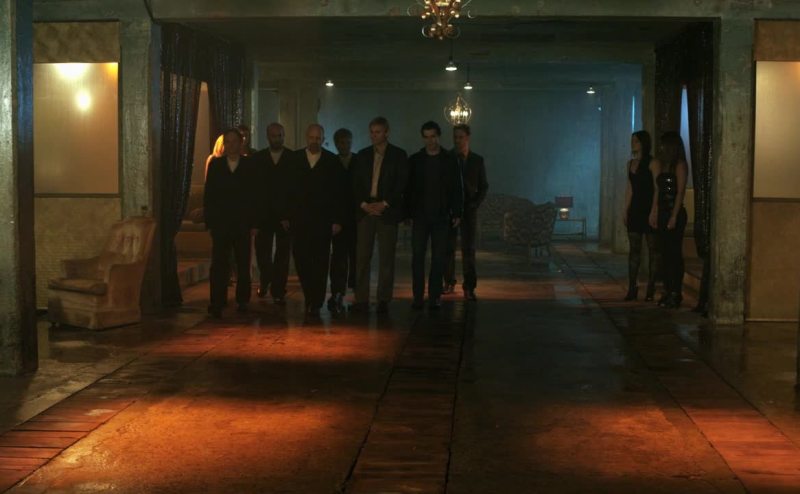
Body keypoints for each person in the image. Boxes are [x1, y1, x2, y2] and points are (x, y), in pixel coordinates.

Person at [351, 117, 409, 314]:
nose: (373, 135)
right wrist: (364, 205)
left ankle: (384, 298)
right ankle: (361, 298)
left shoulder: (398, 155)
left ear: (386, 132)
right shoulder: (362, 155)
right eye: (372, 132)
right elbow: (355, 183)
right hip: (366, 210)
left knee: (386, 258)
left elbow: (401, 184)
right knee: (362, 257)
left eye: (377, 132)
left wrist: (384, 204)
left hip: (387, 211)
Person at [406, 121, 463, 310]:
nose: (430, 141)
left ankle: (434, 295)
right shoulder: (416, 160)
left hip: (440, 216)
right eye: (426, 137)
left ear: (438, 136)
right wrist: (408, 213)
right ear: (423, 138)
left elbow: (456, 187)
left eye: (433, 137)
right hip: (420, 216)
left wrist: (456, 212)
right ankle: (418, 296)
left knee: (438, 258)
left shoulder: (449, 159)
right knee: (418, 257)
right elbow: (409, 189)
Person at [203, 128, 259, 318]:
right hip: (221, 223)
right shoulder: (216, 165)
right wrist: (210, 221)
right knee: (219, 263)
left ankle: (243, 299)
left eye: (234, 141)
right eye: (227, 142)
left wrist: (254, 223)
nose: (231, 145)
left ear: (241, 143)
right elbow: (209, 195)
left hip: (243, 222)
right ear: (224, 144)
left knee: (243, 262)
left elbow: (255, 196)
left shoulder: (250, 165)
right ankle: (217, 301)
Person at [291, 124, 345, 318]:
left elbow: (339, 193)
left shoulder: (332, 161)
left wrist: (337, 220)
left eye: (318, 138)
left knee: (321, 261)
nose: (314, 141)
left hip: (323, 220)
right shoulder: (295, 159)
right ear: (306, 137)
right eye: (311, 137)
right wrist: (286, 216)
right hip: (299, 219)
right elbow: (287, 190)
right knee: (301, 258)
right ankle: (310, 295)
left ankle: (316, 300)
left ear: (323, 139)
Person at [443, 124, 488, 301]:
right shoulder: (447, 158)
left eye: (461, 137)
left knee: (468, 249)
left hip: (469, 210)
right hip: (450, 210)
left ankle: (469, 286)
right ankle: (448, 281)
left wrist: (474, 204)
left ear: (468, 137)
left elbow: (483, 186)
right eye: (455, 137)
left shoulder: (477, 160)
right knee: (448, 248)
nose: (457, 140)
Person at [251, 123, 294, 306]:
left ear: (284, 136)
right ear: (268, 137)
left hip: (284, 215)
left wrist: (289, 215)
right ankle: (266, 279)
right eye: (274, 136)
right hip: (263, 214)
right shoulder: (258, 159)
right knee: (262, 252)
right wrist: (255, 220)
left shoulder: (292, 158)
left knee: (283, 255)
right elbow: (254, 190)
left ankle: (278, 289)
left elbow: (294, 190)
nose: (277, 139)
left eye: (280, 135)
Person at [649, 131, 689, 309]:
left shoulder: (680, 165)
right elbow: (657, 190)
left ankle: (675, 292)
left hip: (675, 213)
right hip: (663, 211)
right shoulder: (663, 165)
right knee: (664, 253)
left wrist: (674, 215)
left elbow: (680, 192)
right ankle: (667, 290)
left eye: (664, 145)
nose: (661, 148)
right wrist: (654, 211)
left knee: (674, 253)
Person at [623, 130, 658, 301]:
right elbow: (630, 188)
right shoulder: (630, 164)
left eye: (635, 141)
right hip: (635, 210)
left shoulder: (653, 163)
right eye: (632, 140)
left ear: (643, 143)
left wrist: (654, 211)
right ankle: (632, 287)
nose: (633, 143)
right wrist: (625, 210)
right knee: (634, 251)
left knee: (653, 250)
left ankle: (651, 287)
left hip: (648, 208)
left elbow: (657, 189)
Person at [328, 128, 358, 313]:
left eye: (347, 142)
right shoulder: (333, 163)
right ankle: (339, 290)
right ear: (336, 143)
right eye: (341, 142)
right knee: (340, 256)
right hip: (341, 218)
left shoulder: (356, 161)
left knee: (355, 256)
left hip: (354, 216)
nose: (344, 146)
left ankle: (350, 288)